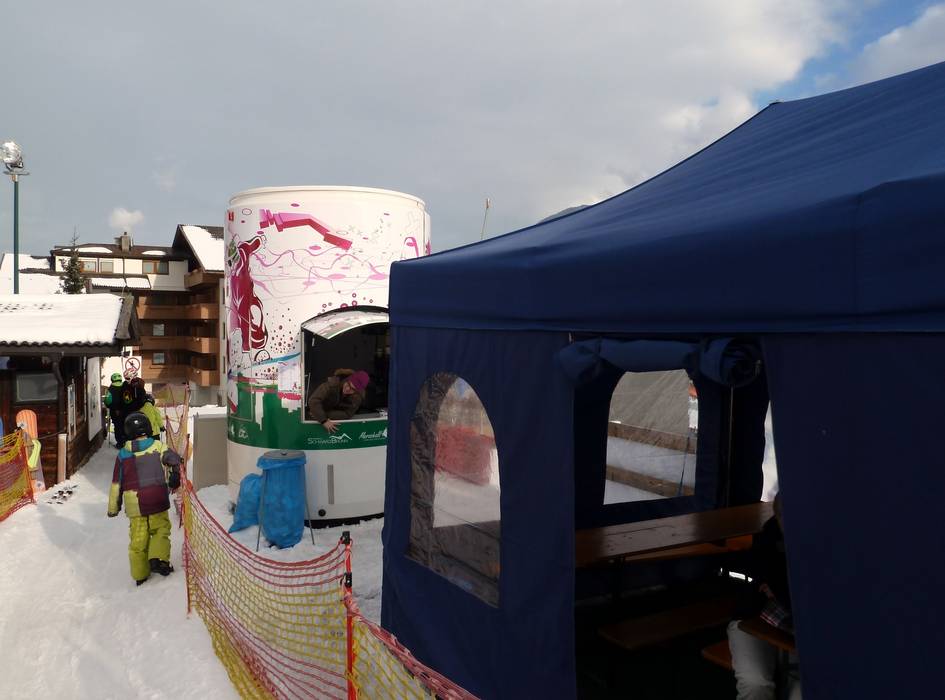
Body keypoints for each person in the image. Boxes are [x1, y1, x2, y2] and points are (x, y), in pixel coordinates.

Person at [727, 493, 801, 700]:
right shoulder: (767, 542)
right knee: (756, 684)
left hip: (797, 628)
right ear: (777, 517)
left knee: (801, 691)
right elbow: (777, 588)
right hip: (751, 620)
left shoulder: (820, 548)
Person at [107, 412, 181, 586]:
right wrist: (175, 474)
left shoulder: (123, 455)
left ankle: (140, 575)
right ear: (148, 428)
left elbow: (116, 483)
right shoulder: (158, 446)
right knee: (160, 529)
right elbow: (173, 459)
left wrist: (113, 508)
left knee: (138, 539)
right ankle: (158, 559)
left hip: (135, 504)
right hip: (156, 498)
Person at [306, 369, 370, 433]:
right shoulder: (332, 384)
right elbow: (314, 400)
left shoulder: (357, 398)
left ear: (357, 391)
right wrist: (323, 420)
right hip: (312, 416)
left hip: (324, 417)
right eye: (348, 384)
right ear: (347, 379)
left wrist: (324, 416)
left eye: (353, 389)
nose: (347, 389)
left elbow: (347, 414)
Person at [103, 373, 126, 446]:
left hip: (115, 411)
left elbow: (107, 401)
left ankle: (120, 443)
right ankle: (126, 440)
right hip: (125, 410)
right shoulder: (125, 387)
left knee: (117, 426)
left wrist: (109, 406)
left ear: (112, 379)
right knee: (125, 424)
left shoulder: (111, 389)